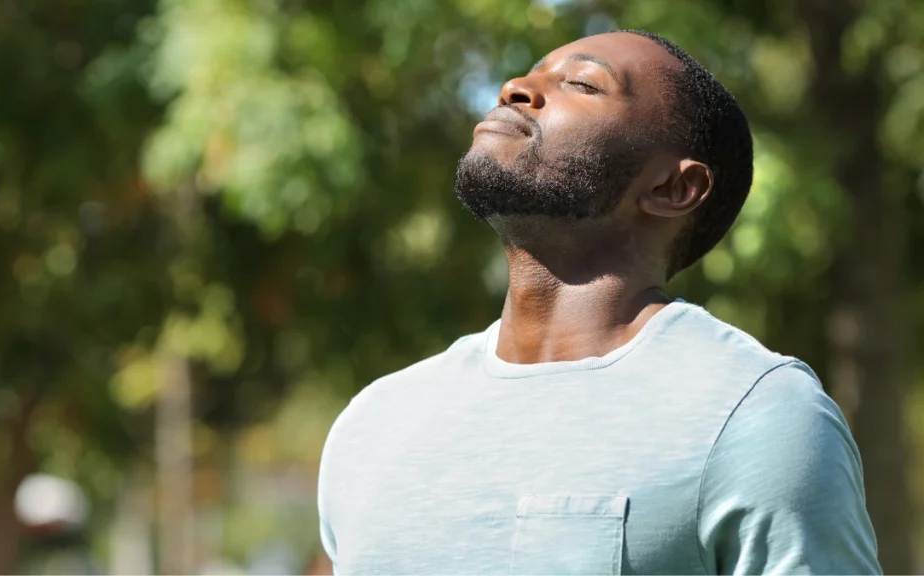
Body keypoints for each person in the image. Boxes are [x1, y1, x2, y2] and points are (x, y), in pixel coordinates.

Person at [316, 30, 881, 575]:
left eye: (583, 84)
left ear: (672, 188)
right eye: (530, 73)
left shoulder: (757, 415)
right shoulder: (373, 424)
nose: (515, 88)